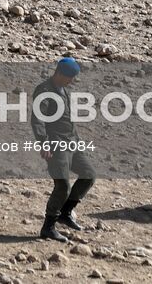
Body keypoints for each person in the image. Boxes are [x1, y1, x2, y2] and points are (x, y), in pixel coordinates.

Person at [31, 57, 96, 241]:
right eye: (70, 77)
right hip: (56, 145)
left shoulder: (63, 90)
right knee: (63, 185)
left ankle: (65, 213)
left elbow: (67, 119)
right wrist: (43, 143)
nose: (72, 81)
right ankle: (48, 227)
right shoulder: (44, 91)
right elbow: (37, 119)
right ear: (59, 73)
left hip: (71, 143)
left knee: (89, 174)